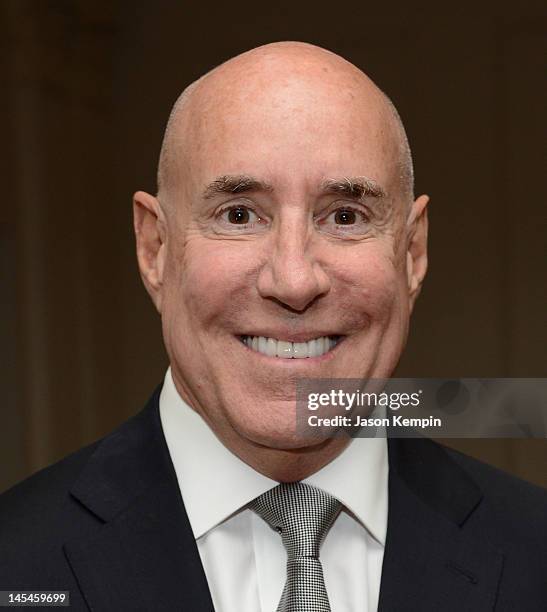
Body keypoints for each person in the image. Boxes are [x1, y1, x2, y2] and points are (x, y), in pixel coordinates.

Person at [1, 41, 546, 611]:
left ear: (411, 254)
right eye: (238, 215)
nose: (293, 280)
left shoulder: (536, 555)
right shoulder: (15, 561)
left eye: (344, 216)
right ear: (155, 248)